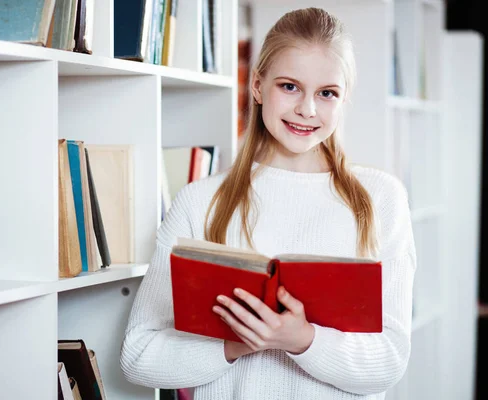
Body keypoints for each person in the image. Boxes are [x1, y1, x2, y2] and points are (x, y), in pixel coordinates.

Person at [120, 7, 416, 400]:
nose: (307, 109)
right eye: (289, 87)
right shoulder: (200, 201)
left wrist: (304, 340)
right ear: (257, 86)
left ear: (344, 98)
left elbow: (390, 360)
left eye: (327, 93)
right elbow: (138, 355)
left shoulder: (381, 199)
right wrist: (236, 344)